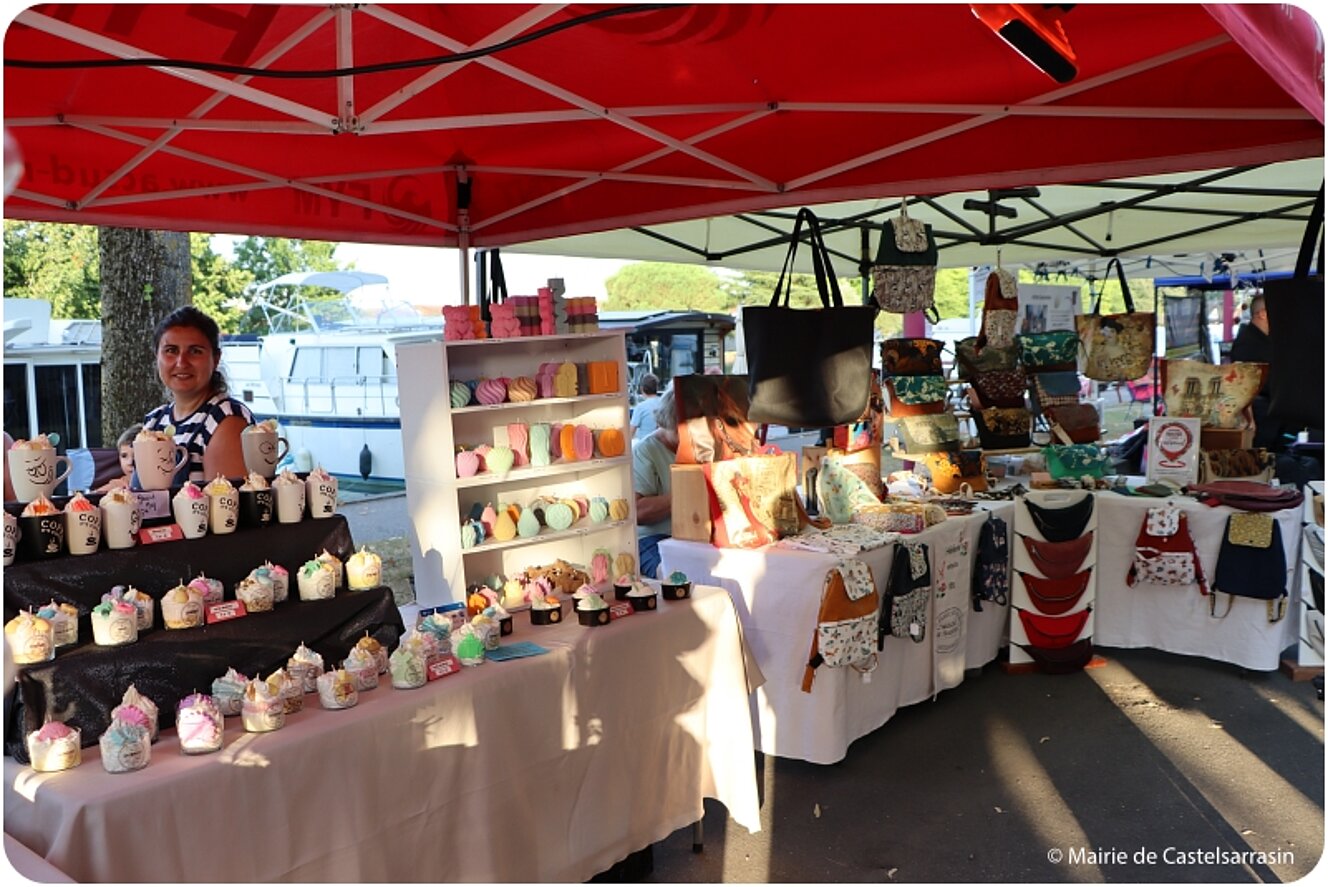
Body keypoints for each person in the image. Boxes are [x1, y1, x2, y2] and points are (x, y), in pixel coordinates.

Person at [140, 306, 253, 485]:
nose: (181, 362)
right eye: (171, 350)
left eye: (195, 351)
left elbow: (227, 507)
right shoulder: (154, 421)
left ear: (215, 359)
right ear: (157, 357)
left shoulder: (228, 418)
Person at [632, 385, 677, 580]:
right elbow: (637, 512)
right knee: (675, 578)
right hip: (652, 539)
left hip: (692, 538)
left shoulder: (703, 449)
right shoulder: (645, 451)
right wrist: (685, 495)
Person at [1228, 293, 1282, 450]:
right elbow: (1242, 383)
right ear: (1263, 314)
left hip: (1272, 411)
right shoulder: (1247, 343)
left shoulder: (1266, 339)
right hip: (1259, 414)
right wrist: (1249, 419)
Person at [95, 423, 142, 492]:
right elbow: (93, 497)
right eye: (124, 456)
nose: (130, 462)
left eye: (137, 455)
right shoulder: (119, 485)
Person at [629, 373, 661, 439]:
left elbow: (630, 433)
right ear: (657, 388)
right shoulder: (664, 403)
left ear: (642, 389)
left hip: (646, 446)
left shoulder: (640, 407)